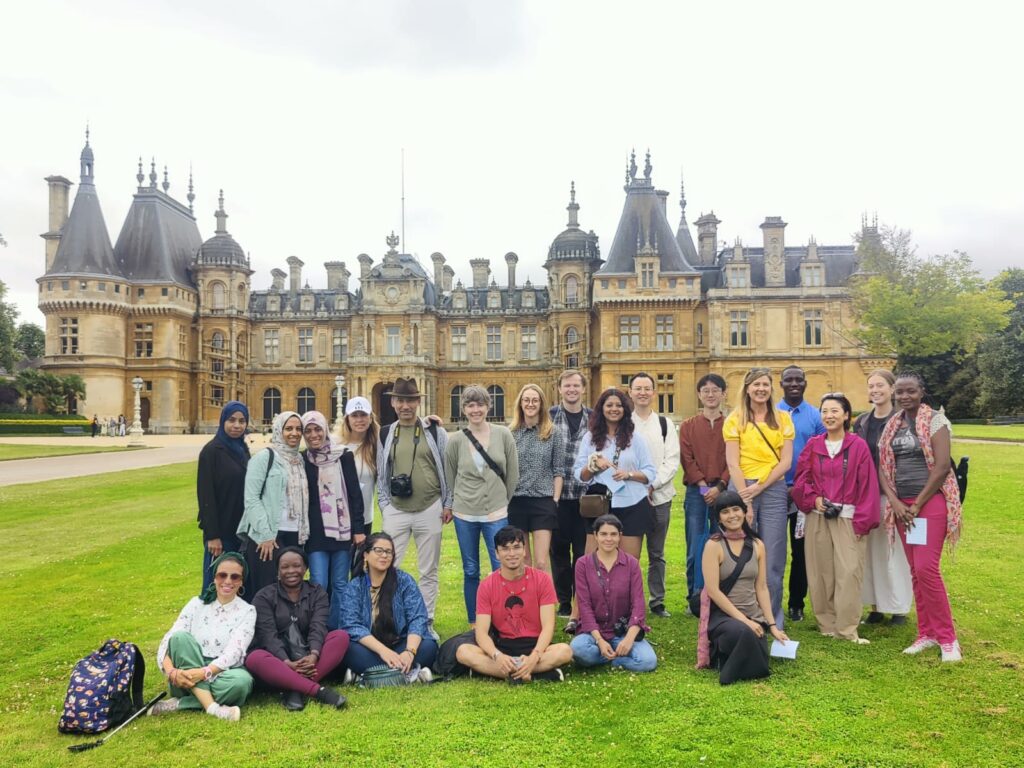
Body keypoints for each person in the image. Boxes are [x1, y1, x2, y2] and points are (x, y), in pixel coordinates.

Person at [878, 372, 963, 662]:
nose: (904, 396)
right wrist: (896, 503)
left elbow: (941, 468)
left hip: (929, 503)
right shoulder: (893, 425)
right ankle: (926, 633)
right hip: (902, 506)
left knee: (927, 569)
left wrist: (917, 505)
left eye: (910, 391)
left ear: (921, 391)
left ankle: (948, 638)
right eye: (899, 392)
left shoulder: (936, 421)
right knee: (915, 569)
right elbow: (883, 467)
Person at [792, 394, 880, 643]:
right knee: (821, 572)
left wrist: (863, 520)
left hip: (849, 517)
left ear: (846, 416)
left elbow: (868, 485)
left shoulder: (857, 446)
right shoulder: (813, 445)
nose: (829, 416)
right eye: (825, 411)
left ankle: (846, 628)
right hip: (819, 516)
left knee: (849, 571)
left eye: (834, 411)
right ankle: (826, 623)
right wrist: (814, 499)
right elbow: (801, 479)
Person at [376, 377, 451, 641]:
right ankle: (388, 620)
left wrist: (447, 502)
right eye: (400, 400)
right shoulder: (385, 433)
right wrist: (384, 505)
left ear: (418, 402)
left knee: (428, 570)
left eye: (410, 400)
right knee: (386, 567)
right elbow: (381, 473)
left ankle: (426, 621)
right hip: (396, 509)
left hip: (429, 508)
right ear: (393, 403)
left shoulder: (435, 432)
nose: (405, 405)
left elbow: (446, 467)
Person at [723, 368, 794, 629]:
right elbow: (733, 462)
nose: (761, 389)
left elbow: (786, 462)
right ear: (747, 388)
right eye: (756, 385)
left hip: (773, 488)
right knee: (741, 554)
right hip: (742, 487)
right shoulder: (735, 419)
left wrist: (760, 487)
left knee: (773, 556)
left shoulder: (783, 419)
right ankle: (744, 617)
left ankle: (773, 620)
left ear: (771, 389)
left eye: (765, 384)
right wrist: (746, 500)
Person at [455, 526, 573, 682]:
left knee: (565, 651)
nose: (512, 554)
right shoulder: (487, 585)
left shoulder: (542, 579)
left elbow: (548, 627)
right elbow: (481, 632)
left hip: (535, 644)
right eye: (505, 549)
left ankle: (496, 672)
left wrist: (535, 655)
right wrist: (496, 655)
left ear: (524, 551)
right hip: (502, 646)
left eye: (516, 547)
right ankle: (538, 673)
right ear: (496, 553)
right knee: (463, 652)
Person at [444, 385, 519, 625]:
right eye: (470, 405)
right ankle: (474, 621)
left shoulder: (503, 434)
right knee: (470, 569)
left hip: (496, 511)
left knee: (502, 566)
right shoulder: (455, 440)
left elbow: (512, 473)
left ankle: (504, 618)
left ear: (488, 406)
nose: (475, 410)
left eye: (480, 405)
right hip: (465, 513)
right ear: (464, 409)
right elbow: (450, 475)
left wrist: (502, 500)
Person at [696, 493, 789, 685]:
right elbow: (713, 591)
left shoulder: (757, 545)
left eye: (736, 509)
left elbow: (762, 588)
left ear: (745, 512)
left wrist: (772, 626)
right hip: (723, 617)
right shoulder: (713, 546)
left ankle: (730, 659)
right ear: (719, 518)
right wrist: (745, 621)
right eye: (725, 512)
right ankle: (729, 667)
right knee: (741, 633)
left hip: (754, 617)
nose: (732, 515)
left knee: (752, 635)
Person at [150, 552, 256, 721]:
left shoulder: (248, 611)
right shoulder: (196, 604)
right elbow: (169, 639)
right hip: (185, 672)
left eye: (234, 577)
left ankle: (179, 704)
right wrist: (172, 672)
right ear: (214, 578)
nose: (228, 581)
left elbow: (235, 652)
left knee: (242, 683)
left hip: (220, 672)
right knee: (179, 637)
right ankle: (212, 707)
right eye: (222, 575)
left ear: (241, 581)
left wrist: (205, 672)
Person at [244, 547, 349, 710]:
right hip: (277, 660)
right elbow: (267, 636)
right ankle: (317, 691)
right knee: (255, 657)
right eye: (285, 567)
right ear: (278, 571)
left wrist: (314, 655)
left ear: (305, 568)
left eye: (296, 566)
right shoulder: (264, 596)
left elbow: (318, 627)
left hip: (309, 658)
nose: (291, 571)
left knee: (340, 637)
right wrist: (286, 662)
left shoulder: (317, 593)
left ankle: (294, 688)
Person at [853, 369, 911, 625]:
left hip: (893, 494)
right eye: (871, 386)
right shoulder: (862, 422)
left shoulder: (902, 420)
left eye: (880, 386)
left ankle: (898, 607)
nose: (875, 390)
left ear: (891, 389)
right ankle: (875, 606)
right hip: (867, 495)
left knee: (893, 551)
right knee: (870, 553)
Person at [338, 533, 438, 682]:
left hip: (400, 645)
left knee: (429, 646)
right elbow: (351, 625)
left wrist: (409, 652)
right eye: (379, 550)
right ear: (366, 555)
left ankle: (365, 676)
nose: (384, 555)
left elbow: (417, 618)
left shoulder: (404, 581)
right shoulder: (355, 587)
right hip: (371, 649)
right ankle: (410, 675)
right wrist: (383, 651)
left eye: (389, 552)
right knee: (348, 649)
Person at [301, 410, 365, 630]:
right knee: (319, 582)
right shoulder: (303, 459)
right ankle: (317, 629)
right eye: (307, 430)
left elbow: (354, 494)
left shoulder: (343, 456)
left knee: (340, 584)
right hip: (316, 531)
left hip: (341, 530)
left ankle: (337, 628)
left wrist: (358, 529)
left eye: (317, 429)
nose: (313, 435)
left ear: (325, 429)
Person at [570, 514, 657, 672]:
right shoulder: (582, 564)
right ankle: (614, 653)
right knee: (577, 649)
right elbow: (584, 605)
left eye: (613, 534)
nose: (608, 539)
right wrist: (599, 640)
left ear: (620, 536)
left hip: (622, 631)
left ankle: (613, 659)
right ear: (595, 536)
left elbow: (638, 604)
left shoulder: (632, 564)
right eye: (603, 534)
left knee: (648, 661)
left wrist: (629, 639)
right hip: (593, 633)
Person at [237, 411, 309, 596]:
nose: (294, 433)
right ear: (278, 430)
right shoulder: (264, 457)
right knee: (267, 591)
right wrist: (266, 535)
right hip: (268, 537)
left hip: (294, 534)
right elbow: (251, 499)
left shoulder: (299, 460)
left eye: (298, 429)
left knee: (290, 589)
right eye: (289, 428)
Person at [777, 366, 826, 623]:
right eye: (789, 380)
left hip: (803, 493)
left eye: (798, 380)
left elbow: (820, 454)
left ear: (805, 383)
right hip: (773, 490)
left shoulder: (815, 416)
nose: (794, 383)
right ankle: (771, 602)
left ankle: (796, 603)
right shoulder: (771, 413)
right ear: (781, 383)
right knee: (772, 550)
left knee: (801, 550)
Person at [628, 372, 680, 619]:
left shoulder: (664, 423)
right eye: (638, 388)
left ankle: (657, 600)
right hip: (630, 498)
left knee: (656, 553)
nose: (642, 393)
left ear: (654, 392)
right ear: (630, 393)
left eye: (647, 388)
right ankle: (630, 599)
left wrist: (652, 484)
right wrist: (638, 485)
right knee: (629, 554)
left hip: (659, 496)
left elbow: (672, 460)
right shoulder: (624, 423)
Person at [679, 374, 730, 600]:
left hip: (724, 492)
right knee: (696, 544)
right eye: (706, 390)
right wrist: (703, 488)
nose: (711, 394)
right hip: (696, 493)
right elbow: (687, 459)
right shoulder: (689, 426)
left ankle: (719, 594)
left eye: (715, 390)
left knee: (723, 544)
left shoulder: (731, 425)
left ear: (723, 393)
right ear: (699, 394)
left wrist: (719, 487)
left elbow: (734, 459)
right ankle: (695, 594)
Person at [508, 383, 564, 575]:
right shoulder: (510, 433)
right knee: (523, 560)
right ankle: (528, 605)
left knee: (541, 563)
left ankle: (545, 605)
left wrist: (555, 499)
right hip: (516, 501)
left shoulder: (553, 432)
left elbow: (558, 470)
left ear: (541, 404)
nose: (530, 404)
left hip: (543, 502)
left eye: (535, 400)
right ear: (520, 404)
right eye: (526, 400)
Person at [549, 370, 592, 618]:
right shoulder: (551, 416)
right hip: (557, 496)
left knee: (583, 552)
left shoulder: (594, 418)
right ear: (560, 388)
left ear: (583, 389)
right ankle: (564, 601)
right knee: (558, 552)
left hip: (585, 498)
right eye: (567, 385)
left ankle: (580, 599)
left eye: (576, 385)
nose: (572, 389)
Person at [197, 401, 251, 592]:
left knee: (237, 584)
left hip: (241, 531)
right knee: (216, 584)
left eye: (242, 421)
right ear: (222, 422)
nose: (237, 425)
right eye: (232, 420)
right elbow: (206, 496)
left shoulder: (243, 450)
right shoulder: (212, 451)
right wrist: (212, 535)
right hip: (221, 532)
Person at [339, 396, 379, 536]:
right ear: (347, 419)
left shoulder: (377, 446)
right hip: (338, 517)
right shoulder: (335, 446)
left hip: (364, 517)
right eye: (354, 415)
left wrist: (426, 422)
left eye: (363, 415)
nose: (359, 420)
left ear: (370, 418)